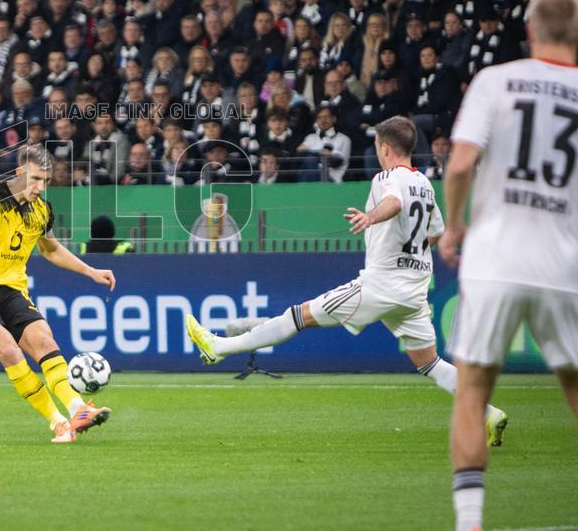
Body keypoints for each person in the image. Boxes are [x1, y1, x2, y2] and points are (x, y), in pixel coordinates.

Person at [186, 116, 507, 440]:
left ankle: (220, 346)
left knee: (298, 316)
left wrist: (370, 216)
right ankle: (488, 413)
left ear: (384, 147)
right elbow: (435, 232)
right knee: (429, 363)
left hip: (382, 283)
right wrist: (410, 251)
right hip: (414, 288)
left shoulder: (387, 177)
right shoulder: (424, 184)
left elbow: (394, 203)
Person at [438, 0, 578, 531]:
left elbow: (459, 165)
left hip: (495, 258)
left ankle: (470, 523)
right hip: (564, 264)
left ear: (530, 34)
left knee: (473, 393)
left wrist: (453, 227)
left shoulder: (494, 82)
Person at [0, 145, 116, 443]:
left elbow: (51, 250)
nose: (40, 187)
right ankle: (57, 422)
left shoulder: (42, 211)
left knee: (44, 341)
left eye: (46, 181)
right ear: (19, 172)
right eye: (35, 179)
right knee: (10, 352)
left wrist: (91, 271)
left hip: (12, 289)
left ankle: (78, 409)